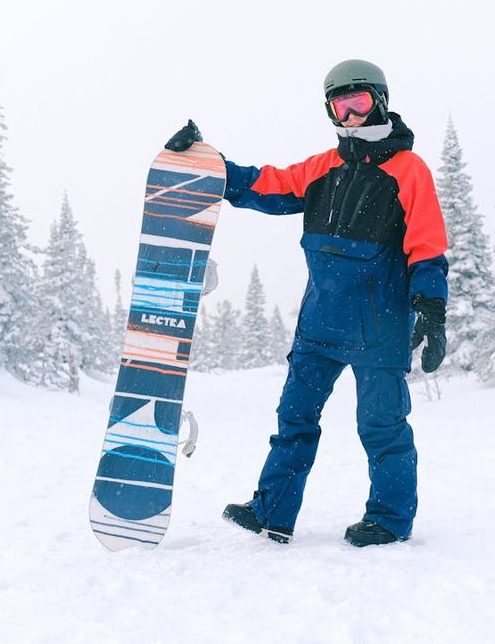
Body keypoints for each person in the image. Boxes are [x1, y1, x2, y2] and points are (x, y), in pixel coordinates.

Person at [165, 59, 448, 547]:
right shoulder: (323, 168)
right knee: (293, 420)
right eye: (340, 106)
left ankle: (389, 520)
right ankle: (272, 511)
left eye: (358, 103)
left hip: (380, 328)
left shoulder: (409, 171)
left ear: (380, 102)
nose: (350, 116)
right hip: (320, 324)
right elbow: (264, 184)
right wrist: (208, 163)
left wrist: (432, 310)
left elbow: (427, 247)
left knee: (382, 427)